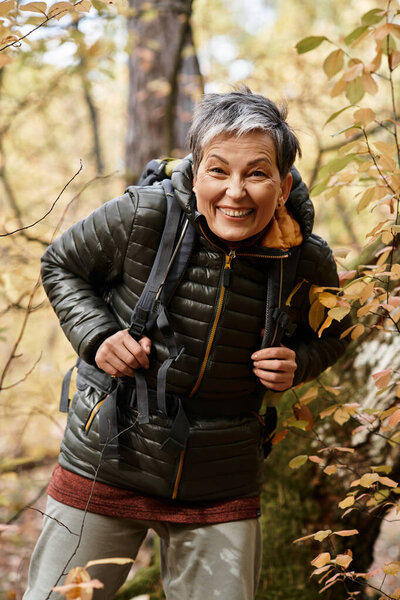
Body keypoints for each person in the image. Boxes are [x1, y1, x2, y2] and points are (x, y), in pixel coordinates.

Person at [24, 89, 349, 600]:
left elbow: (336, 332)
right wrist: (97, 336)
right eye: (218, 171)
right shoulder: (143, 217)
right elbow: (60, 264)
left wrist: (299, 363)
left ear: (283, 186)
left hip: (222, 479)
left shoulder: (306, 260)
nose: (235, 192)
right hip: (109, 455)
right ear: (196, 172)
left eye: (257, 174)